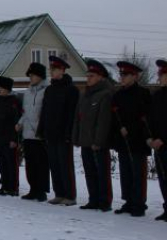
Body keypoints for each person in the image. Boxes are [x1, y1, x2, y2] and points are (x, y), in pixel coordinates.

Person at [111, 61, 152, 217]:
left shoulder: (143, 94)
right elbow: (114, 116)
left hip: (138, 141)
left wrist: (131, 129)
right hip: (123, 140)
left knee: (138, 173)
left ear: (135, 76)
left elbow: (145, 117)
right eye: (121, 74)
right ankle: (128, 200)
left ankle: (139, 203)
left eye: (125, 75)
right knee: (125, 172)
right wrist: (118, 129)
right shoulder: (118, 95)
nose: (122, 77)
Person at [72, 60, 114, 211]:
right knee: (89, 171)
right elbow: (78, 118)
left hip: (97, 142)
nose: (88, 78)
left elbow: (103, 121)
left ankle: (104, 201)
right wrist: (76, 137)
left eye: (91, 76)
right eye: (87, 75)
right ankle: (93, 198)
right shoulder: (84, 95)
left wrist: (98, 140)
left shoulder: (105, 94)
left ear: (100, 77)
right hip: (85, 140)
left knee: (102, 172)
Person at [37, 57, 79, 204]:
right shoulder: (49, 90)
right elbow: (45, 111)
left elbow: (71, 114)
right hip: (50, 133)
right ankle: (59, 193)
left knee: (65, 164)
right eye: (51, 69)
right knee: (54, 164)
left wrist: (68, 133)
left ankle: (70, 195)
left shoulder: (71, 90)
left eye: (54, 69)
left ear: (62, 70)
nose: (52, 72)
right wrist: (41, 130)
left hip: (63, 134)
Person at [18, 63, 51, 202]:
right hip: (28, 133)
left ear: (40, 76)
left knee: (41, 163)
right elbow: (25, 112)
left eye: (33, 75)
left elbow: (45, 113)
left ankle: (41, 190)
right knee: (30, 163)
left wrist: (40, 127)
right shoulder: (27, 92)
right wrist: (20, 123)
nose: (30, 78)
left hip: (39, 133)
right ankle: (33, 188)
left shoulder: (46, 90)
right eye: (30, 76)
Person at [0, 77, 22, 196]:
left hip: (9, 137)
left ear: (8, 89)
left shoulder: (14, 101)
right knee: (3, 162)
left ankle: (13, 187)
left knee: (11, 162)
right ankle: (5, 185)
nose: (0, 90)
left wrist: (14, 138)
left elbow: (17, 120)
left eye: (2, 88)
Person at [147, 59, 167, 221]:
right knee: (163, 177)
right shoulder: (157, 95)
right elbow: (151, 119)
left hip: (165, 142)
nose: (159, 77)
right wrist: (152, 138)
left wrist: (163, 138)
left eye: (161, 74)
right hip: (158, 145)